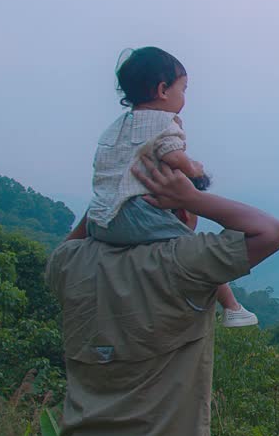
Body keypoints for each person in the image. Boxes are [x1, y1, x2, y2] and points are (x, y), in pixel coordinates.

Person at [46, 154, 279, 436]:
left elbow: (72, 242)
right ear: (179, 210)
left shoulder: (71, 264)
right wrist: (190, 198)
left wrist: (111, 198)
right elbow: (272, 231)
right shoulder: (184, 263)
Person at [82, 45, 258, 327]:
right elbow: (173, 155)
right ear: (163, 90)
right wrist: (193, 169)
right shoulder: (164, 123)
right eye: (183, 89)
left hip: (99, 219)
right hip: (134, 214)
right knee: (199, 254)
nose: (184, 97)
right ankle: (232, 307)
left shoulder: (115, 128)